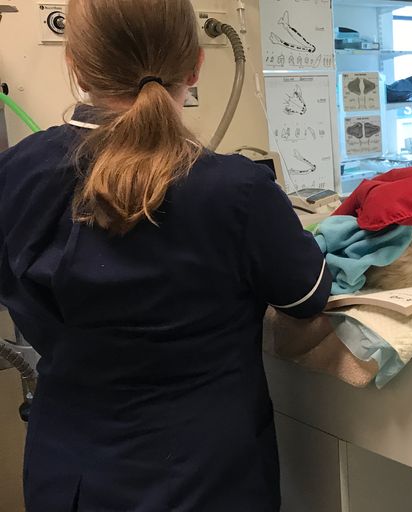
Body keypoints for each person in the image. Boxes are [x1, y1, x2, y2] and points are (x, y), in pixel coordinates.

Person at [0, 1, 330, 510]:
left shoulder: (15, 175)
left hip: (68, 476)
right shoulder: (237, 191)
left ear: (76, 64)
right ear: (196, 65)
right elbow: (307, 297)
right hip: (206, 479)